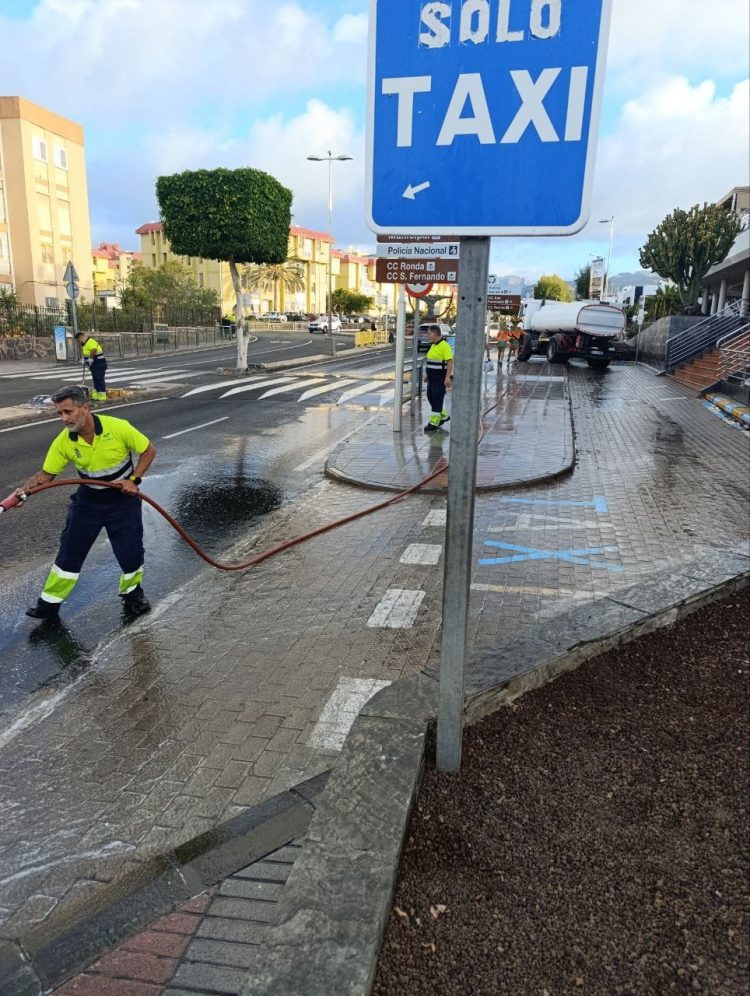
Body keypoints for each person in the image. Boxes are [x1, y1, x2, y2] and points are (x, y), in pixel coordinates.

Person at [18, 385, 157, 620]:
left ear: (85, 407)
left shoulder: (118, 427)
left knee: (130, 551)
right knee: (70, 552)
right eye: (60, 413)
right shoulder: (64, 441)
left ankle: (133, 596)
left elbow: (148, 450)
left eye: (68, 412)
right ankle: (49, 604)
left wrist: (134, 480)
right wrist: (23, 492)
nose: (64, 419)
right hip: (88, 502)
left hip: (122, 501)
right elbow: (47, 474)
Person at [424, 326, 454, 432]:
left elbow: (450, 362)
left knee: (437, 398)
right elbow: (431, 361)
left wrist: (447, 377)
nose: (427, 335)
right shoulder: (433, 345)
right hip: (431, 378)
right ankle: (443, 416)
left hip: (439, 377)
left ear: (435, 334)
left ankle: (434, 422)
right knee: (430, 396)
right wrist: (427, 375)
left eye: (429, 333)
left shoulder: (444, 346)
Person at [76, 331, 107, 402]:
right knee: (96, 380)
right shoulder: (85, 344)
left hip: (99, 363)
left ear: (81, 338)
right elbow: (87, 353)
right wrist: (84, 359)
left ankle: (102, 397)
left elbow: (94, 350)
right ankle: (96, 396)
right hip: (94, 364)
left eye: (79, 341)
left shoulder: (90, 342)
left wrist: (90, 359)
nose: (79, 342)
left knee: (99, 379)